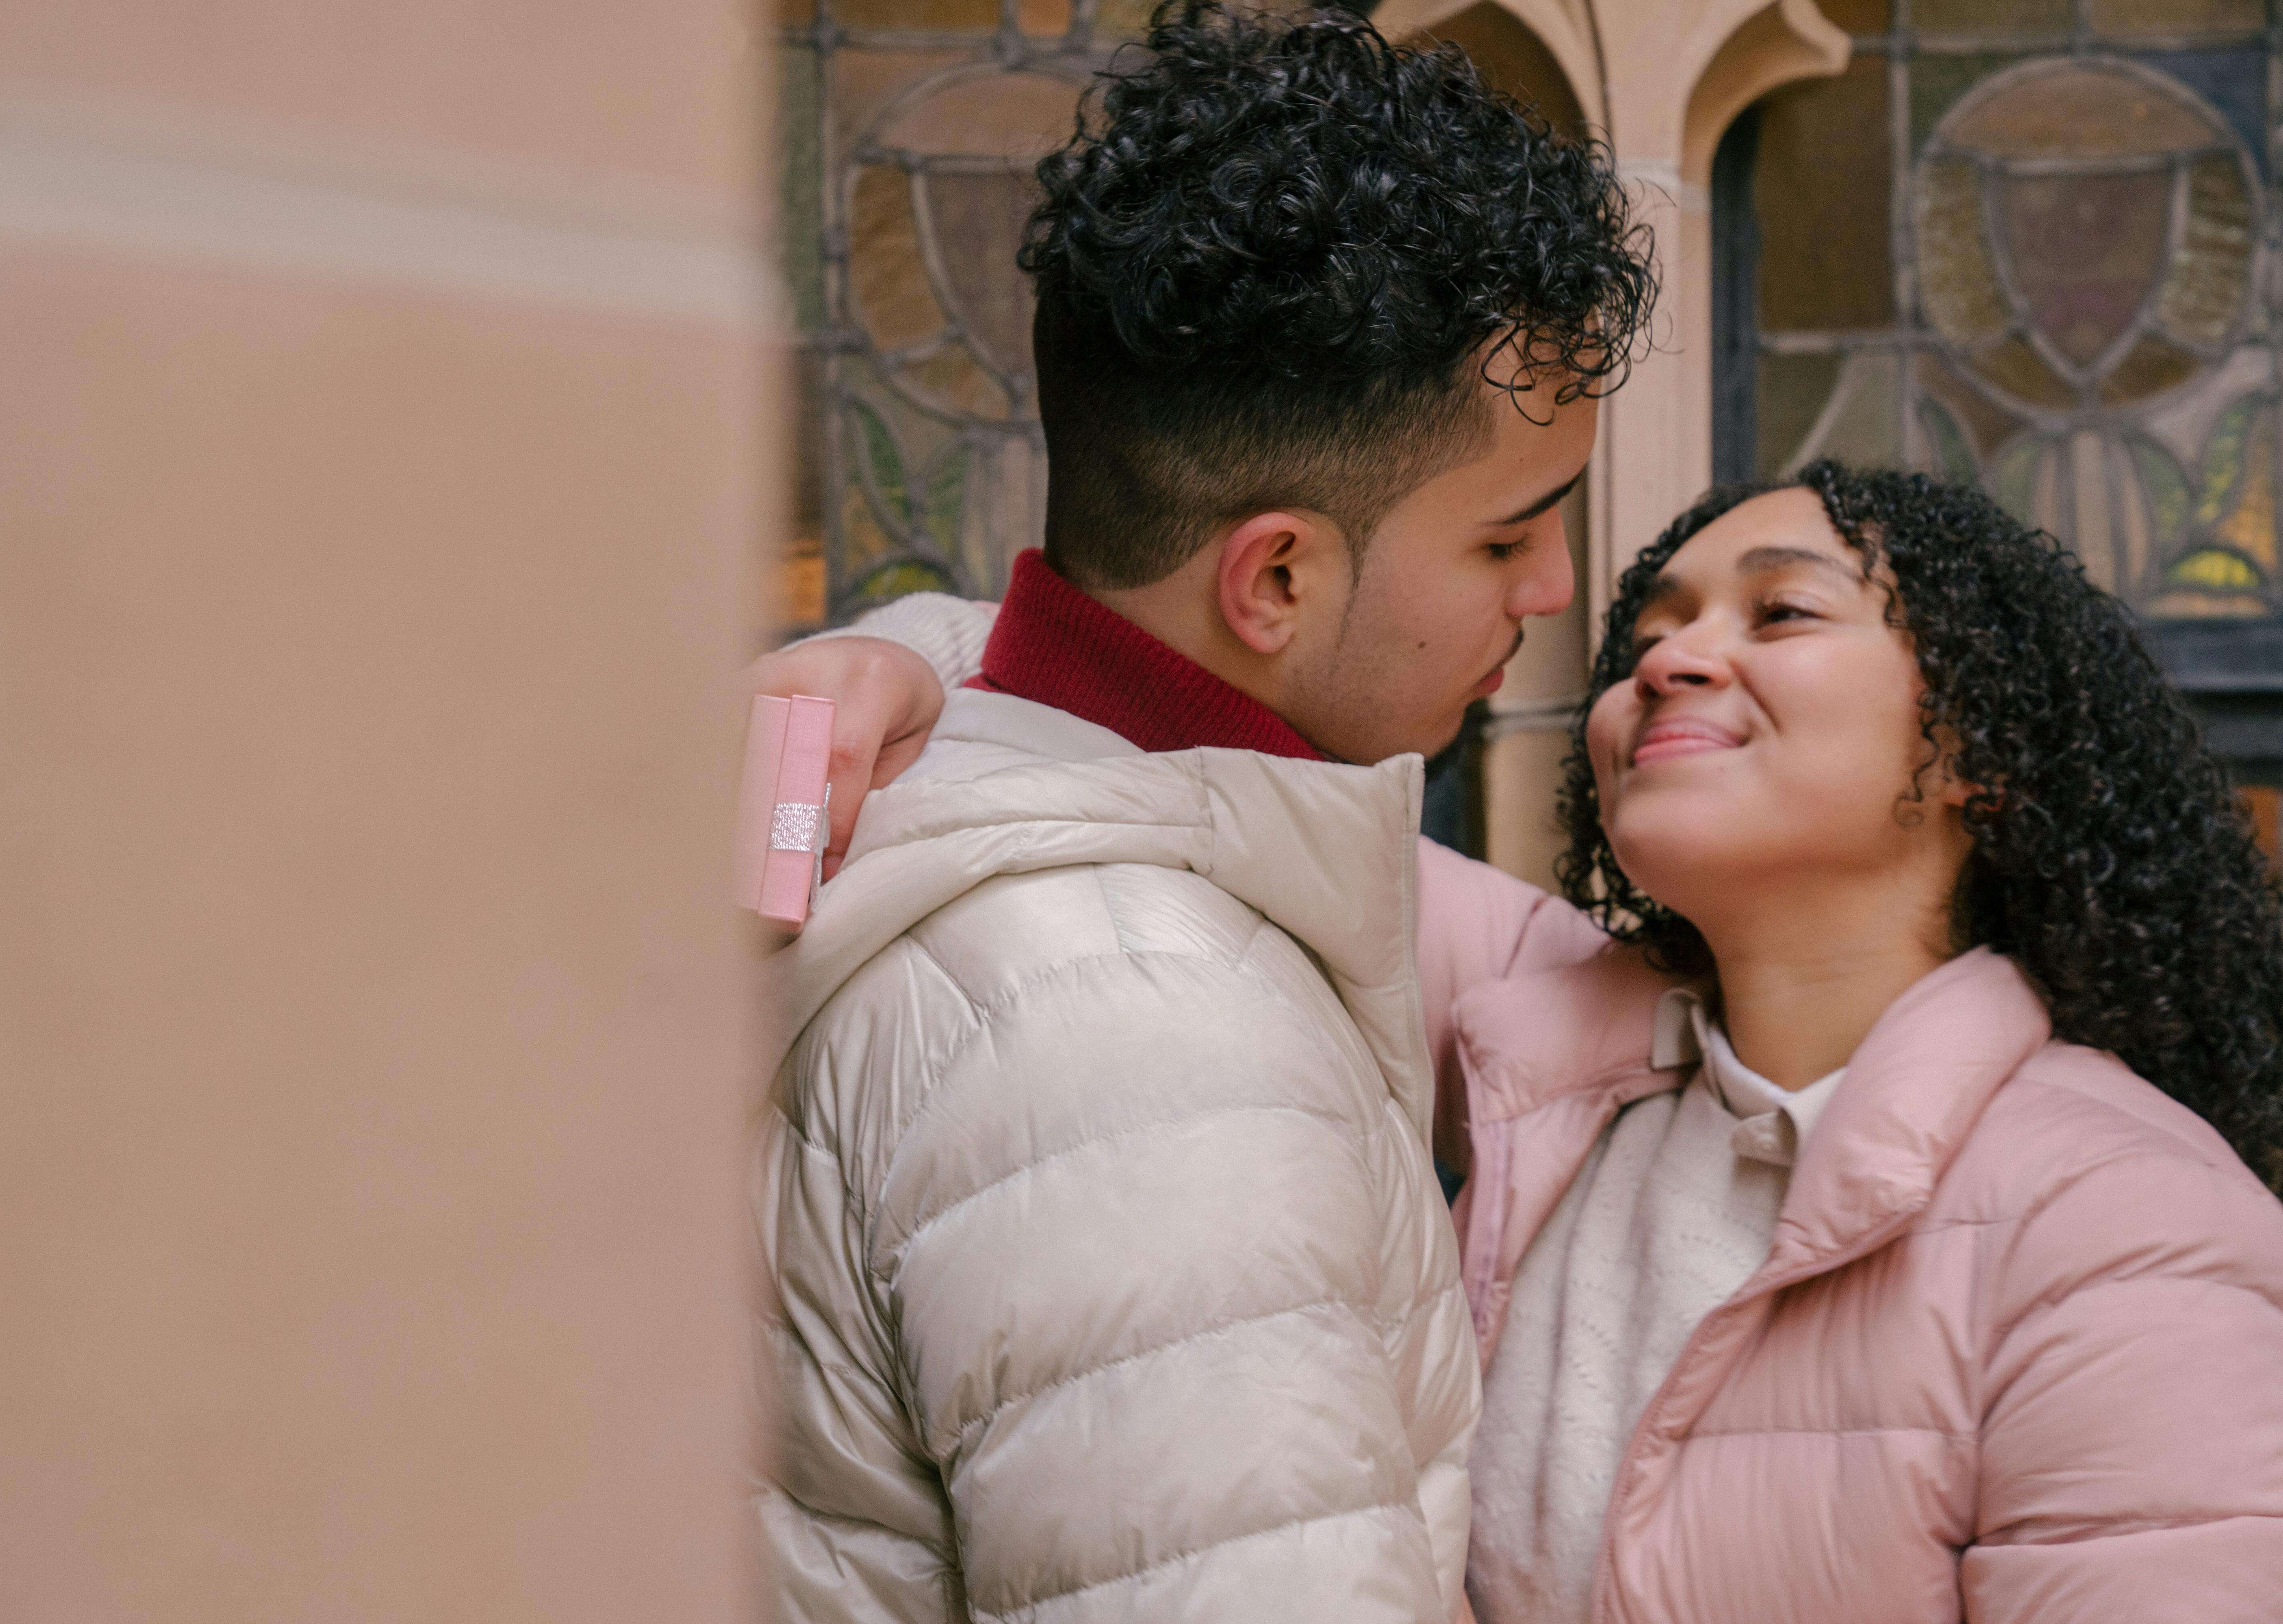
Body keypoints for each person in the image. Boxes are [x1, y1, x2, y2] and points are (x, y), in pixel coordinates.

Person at [801, 463, 2283, 1620]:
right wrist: (897, 662)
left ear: (1977, 747)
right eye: (1650, 635)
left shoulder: (2127, 1223)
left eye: (1779, 614)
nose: (1671, 663)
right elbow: (1156, 748)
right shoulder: (1557, 1021)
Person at [752, 6, 1654, 1622]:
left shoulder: (956, 770)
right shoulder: (1145, 1041)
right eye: (1506, 535)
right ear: (1278, 577)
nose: (1556, 586)